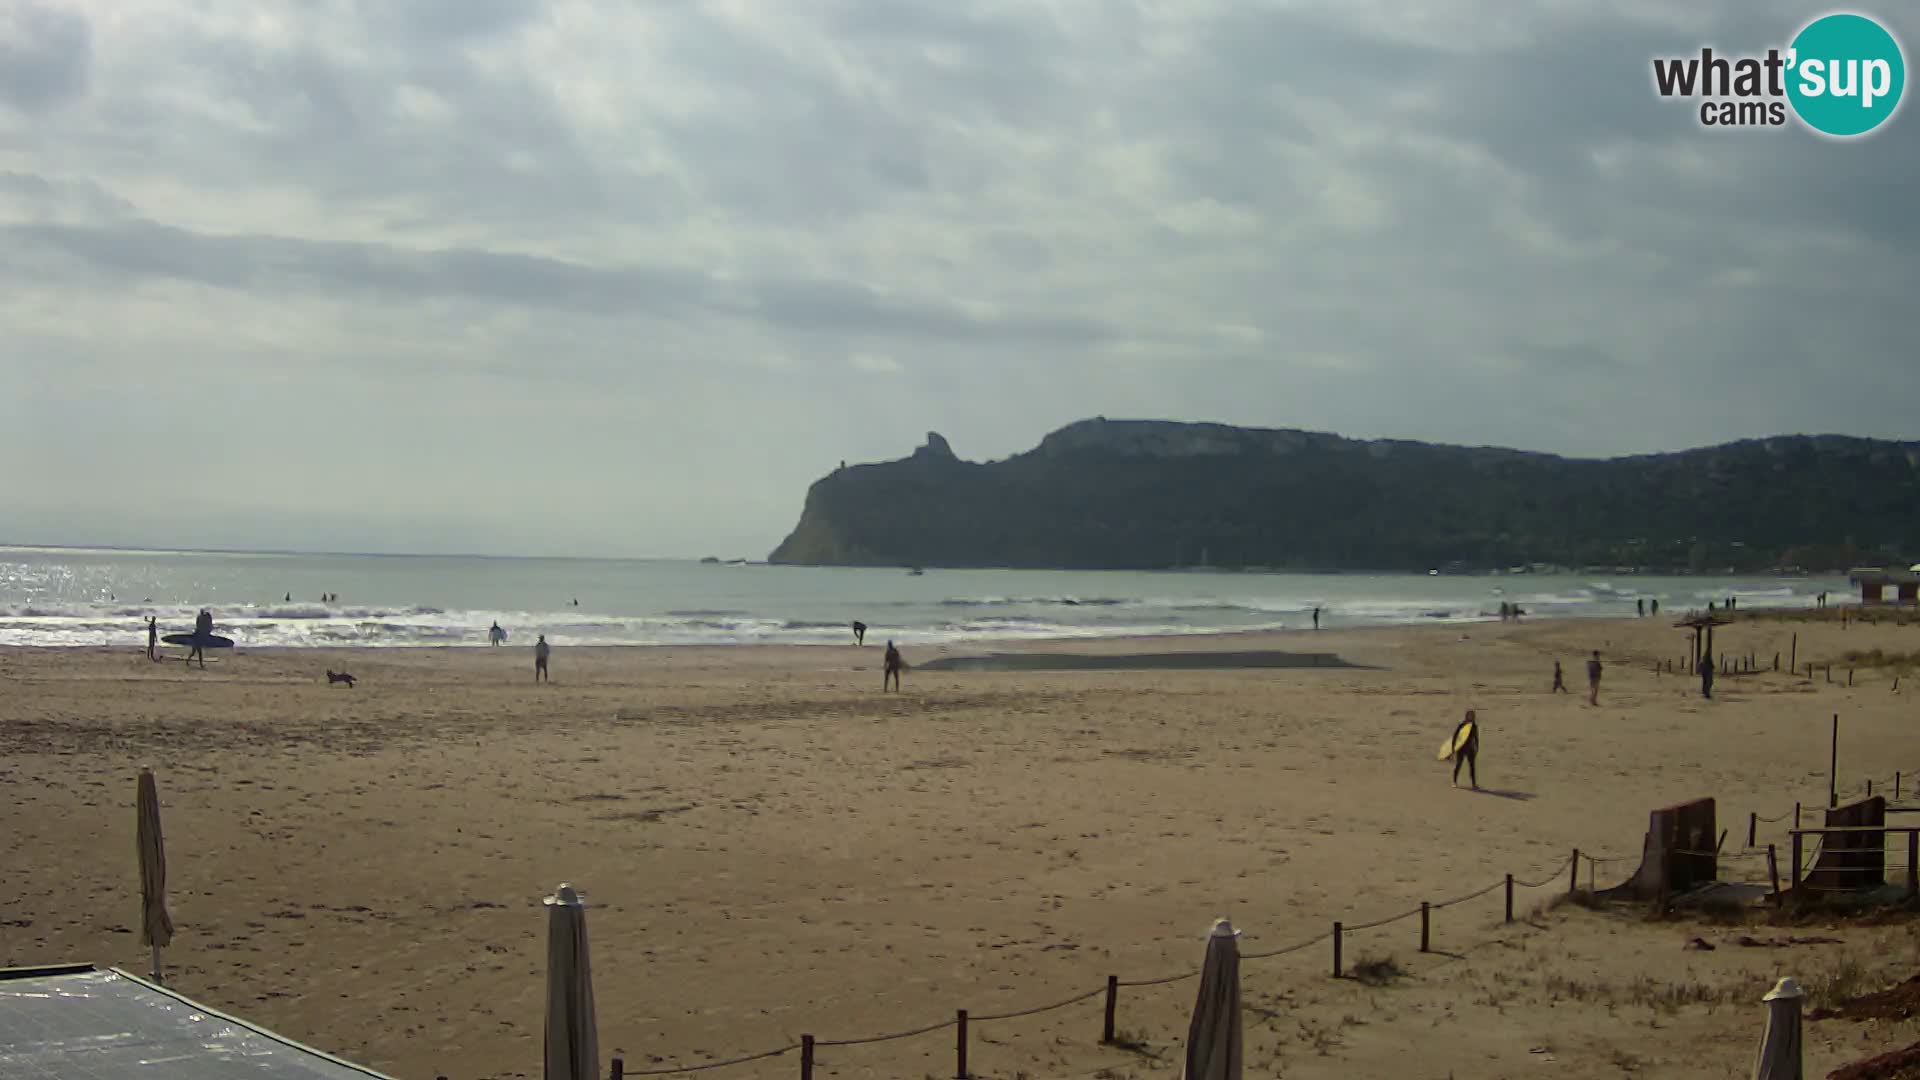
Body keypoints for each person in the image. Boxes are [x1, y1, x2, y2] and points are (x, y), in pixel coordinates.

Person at [1448, 709, 1480, 790]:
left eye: (1472, 715)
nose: (1471, 716)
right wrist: (1453, 748)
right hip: (1461, 748)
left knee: (1472, 767)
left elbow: (1476, 738)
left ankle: (1474, 784)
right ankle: (1454, 782)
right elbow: (1455, 736)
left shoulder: (1474, 726)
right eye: (1469, 715)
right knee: (1458, 765)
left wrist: (1476, 748)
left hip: (1470, 749)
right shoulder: (1461, 725)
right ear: (1466, 716)